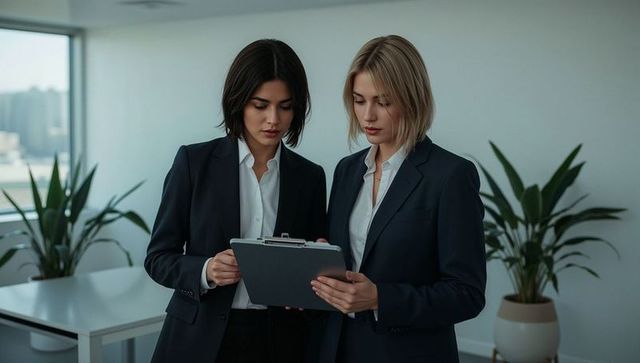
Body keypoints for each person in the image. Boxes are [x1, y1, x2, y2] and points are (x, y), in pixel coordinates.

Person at [145, 39, 327, 363]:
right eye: (260, 105)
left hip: (281, 341)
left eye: (285, 106)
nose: (274, 119)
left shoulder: (310, 177)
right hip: (198, 338)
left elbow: (315, 262)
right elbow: (158, 257)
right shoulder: (193, 162)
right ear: (238, 102)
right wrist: (206, 269)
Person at [311, 35, 486, 363]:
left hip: (409, 352)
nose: (368, 115)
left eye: (384, 101)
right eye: (359, 100)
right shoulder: (347, 170)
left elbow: (467, 294)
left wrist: (380, 298)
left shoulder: (451, 176)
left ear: (412, 98)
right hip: (338, 348)